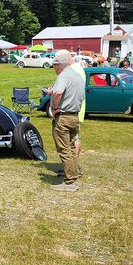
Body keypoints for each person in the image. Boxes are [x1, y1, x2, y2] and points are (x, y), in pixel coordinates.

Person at [49, 50, 85, 192]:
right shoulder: (77, 75)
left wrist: (55, 108)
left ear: (59, 66)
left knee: (64, 149)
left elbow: (58, 92)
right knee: (70, 148)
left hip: (63, 117)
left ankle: (70, 182)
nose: (54, 69)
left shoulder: (64, 75)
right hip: (74, 116)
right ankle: (74, 176)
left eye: (54, 66)